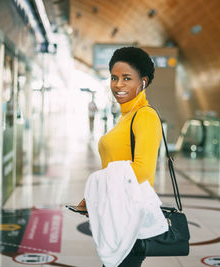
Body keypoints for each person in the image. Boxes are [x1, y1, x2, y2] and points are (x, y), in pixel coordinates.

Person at [78, 46, 162, 266]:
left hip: (130, 218)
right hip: (117, 213)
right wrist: (95, 198)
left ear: (143, 81)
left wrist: (99, 187)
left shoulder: (145, 116)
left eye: (127, 78)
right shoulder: (127, 116)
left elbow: (143, 169)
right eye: (114, 78)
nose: (118, 85)